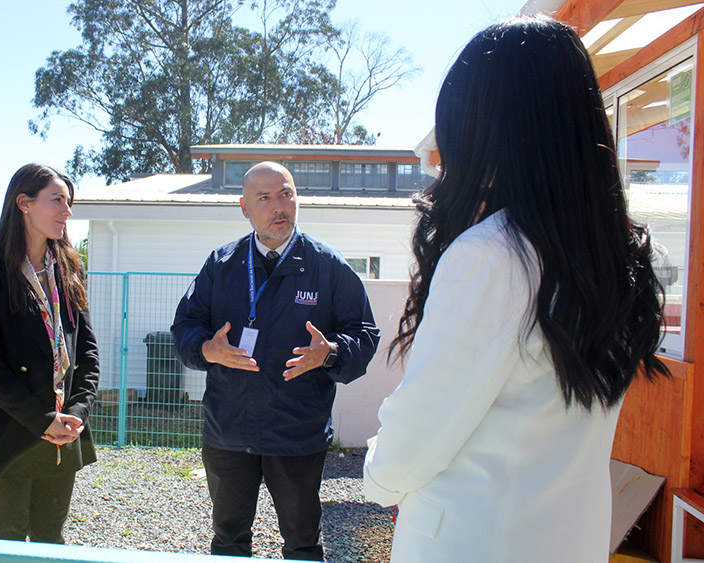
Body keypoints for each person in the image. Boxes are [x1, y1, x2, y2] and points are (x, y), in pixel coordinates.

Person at [362, 17, 670, 563]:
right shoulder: (616, 256)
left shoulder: (492, 255)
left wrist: (380, 479)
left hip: (470, 542)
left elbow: (417, 432)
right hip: (568, 537)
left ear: (490, 131)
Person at [172, 161, 379, 560]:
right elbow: (185, 325)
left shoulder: (328, 266)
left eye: (285, 194)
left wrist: (331, 353)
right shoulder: (222, 264)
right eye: (264, 198)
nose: (278, 206)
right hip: (228, 432)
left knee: (303, 543)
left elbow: (365, 335)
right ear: (245, 208)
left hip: (296, 433)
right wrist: (205, 349)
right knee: (229, 541)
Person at [0, 164, 99, 543]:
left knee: (51, 537)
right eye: (58, 201)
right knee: (7, 536)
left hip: (63, 431)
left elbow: (86, 352)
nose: (67, 212)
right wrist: (42, 421)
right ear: (23, 203)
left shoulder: (70, 268)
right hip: (10, 430)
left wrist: (76, 412)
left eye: (69, 203)